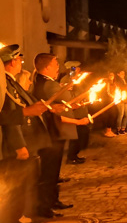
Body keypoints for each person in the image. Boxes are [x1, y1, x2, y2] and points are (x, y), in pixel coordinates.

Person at [0, 45, 55, 221]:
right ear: (13, 62)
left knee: (22, 188)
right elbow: (7, 114)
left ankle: (19, 215)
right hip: (14, 145)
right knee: (15, 189)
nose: (21, 63)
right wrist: (19, 145)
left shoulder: (11, 82)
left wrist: (50, 107)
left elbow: (27, 105)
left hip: (27, 140)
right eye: (20, 60)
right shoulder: (5, 84)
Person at [32, 53, 89, 218]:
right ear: (47, 66)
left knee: (54, 171)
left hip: (54, 133)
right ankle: (44, 206)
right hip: (52, 133)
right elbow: (60, 104)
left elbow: (61, 105)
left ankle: (52, 200)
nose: (58, 68)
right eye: (56, 65)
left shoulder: (46, 82)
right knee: (49, 172)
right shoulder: (48, 85)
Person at [61, 61, 90, 162]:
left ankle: (74, 155)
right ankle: (71, 157)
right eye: (76, 68)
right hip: (74, 112)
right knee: (77, 135)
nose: (79, 69)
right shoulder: (66, 80)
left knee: (82, 134)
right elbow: (67, 95)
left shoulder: (80, 80)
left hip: (81, 109)